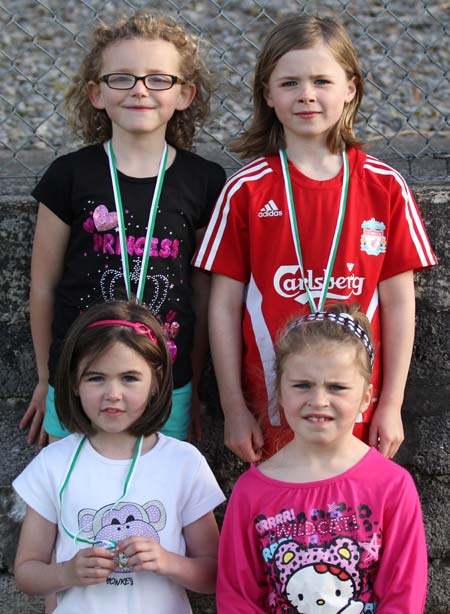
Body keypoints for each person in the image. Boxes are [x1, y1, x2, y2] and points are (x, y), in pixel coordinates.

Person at [194, 14, 437, 462]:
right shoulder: (245, 190)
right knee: (282, 516)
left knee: (351, 516)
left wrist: (391, 403)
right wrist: (232, 406)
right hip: (272, 401)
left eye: (322, 80)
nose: (306, 94)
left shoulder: (385, 186)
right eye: (289, 83)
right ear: (267, 94)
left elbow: (400, 301)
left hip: (355, 402)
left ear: (350, 88)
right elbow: (223, 304)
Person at [20, 11, 226, 447]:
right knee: (74, 495)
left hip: (166, 380)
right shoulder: (69, 176)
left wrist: (190, 381)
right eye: (122, 78)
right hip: (77, 378)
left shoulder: (204, 180)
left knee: (160, 501)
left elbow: (203, 291)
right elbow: (43, 286)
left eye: (158, 79)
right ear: (95, 92)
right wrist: (45, 378)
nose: (139, 90)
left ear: (185, 94)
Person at [13, 300, 225, 613]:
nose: (113, 393)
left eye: (129, 378)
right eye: (96, 377)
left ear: (155, 381)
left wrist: (167, 562)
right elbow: (27, 572)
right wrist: (66, 572)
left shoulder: (184, 463)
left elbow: (214, 574)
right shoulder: (52, 464)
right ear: (73, 382)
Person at [216, 304, 428, 612]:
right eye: (302, 385)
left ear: (366, 397)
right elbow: (238, 598)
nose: (318, 401)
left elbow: (403, 595)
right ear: (280, 392)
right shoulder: (252, 491)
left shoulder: (392, 486)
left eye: (337, 387)